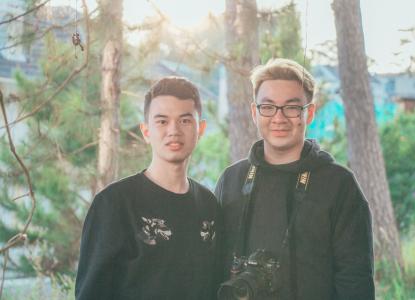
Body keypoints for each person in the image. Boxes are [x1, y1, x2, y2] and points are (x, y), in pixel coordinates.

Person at [215, 58, 374, 300]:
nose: (279, 118)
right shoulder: (232, 179)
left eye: (291, 107)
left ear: (309, 113)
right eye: (267, 107)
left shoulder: (339, 185)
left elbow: (355, 280)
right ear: (254, 113)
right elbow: (214, 266)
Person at [75, 76, 221, 300]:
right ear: (146, 131)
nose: (174, 131)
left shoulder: (208, 204)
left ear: (200, 129)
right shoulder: (114, 204)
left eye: (185, 120)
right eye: (162, 121)